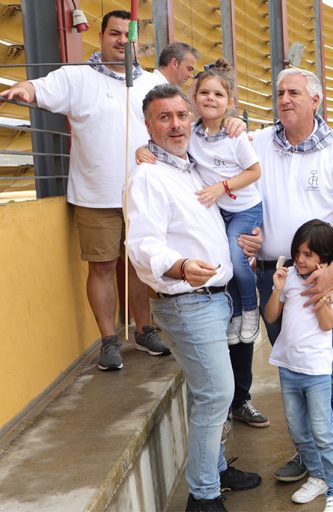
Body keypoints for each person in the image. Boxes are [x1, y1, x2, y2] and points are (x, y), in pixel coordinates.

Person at [0, 10, 170, 370]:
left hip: (144, 194)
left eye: (128, 35)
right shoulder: (76, 77)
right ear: (101, 37)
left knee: (140, 265)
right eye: (114, 33)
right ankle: (109, 341)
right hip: (96, 195)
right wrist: (22, 90)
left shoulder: (152, 83)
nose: (122, 40)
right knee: (103, 266)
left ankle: (144, 330)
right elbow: (38, 88)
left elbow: (180, 121)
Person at [126, 84, 261, 512]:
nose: (176, 125)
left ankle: (215, 469)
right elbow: (142, 245)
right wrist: (181, 266)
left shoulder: (191, 168)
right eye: (164, 117)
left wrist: (249, 243)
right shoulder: (148, 176)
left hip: (215, 298)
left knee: (207, 393)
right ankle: (203, 497)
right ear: (148, 124)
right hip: (188, 302)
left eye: (181, 116)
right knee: (217, 393)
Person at [242, 67, 333, 497]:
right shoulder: (258, 142)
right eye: (280, 92)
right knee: (293, 366)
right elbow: (209, 147)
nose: (285, 99)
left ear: (316, 99)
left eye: (294, 92)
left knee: (331, 370)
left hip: (319, 278)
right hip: (273, 275)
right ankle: (311, 454)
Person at [264, 219, 333, 512]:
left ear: (324, 258)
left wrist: (322, 294)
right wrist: (277, 289)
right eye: (297, 252)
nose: (300, 259)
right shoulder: (288, 277)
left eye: (308, 254)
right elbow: (271, 316)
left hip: (316, 370)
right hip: (288, 366)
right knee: (298, 430)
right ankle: (318, 476)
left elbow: (327, 324)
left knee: (323, 432)